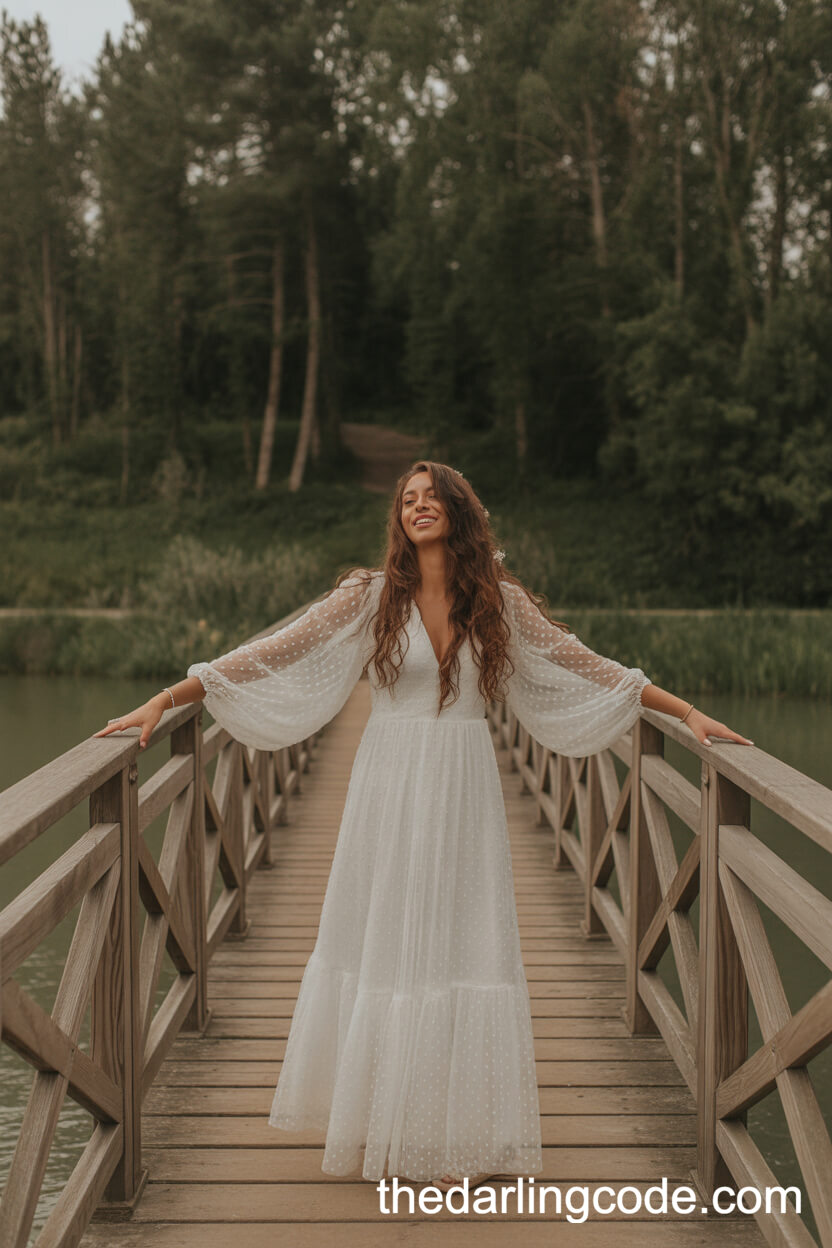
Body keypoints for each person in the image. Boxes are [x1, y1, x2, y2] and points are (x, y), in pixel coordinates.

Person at [94, 459, 752, 1191]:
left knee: (459, 938)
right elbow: (277, 651)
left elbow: (584, 663)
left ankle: (449, 1123)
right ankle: (383, 1117)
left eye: (432, 496)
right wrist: (169, 696)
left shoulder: (498, 600)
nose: (418, 506)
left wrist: (685, 711)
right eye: (407, 499)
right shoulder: (369, 596)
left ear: (460, 511)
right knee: (385, 936)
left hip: (465, 786)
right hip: (388, 782)